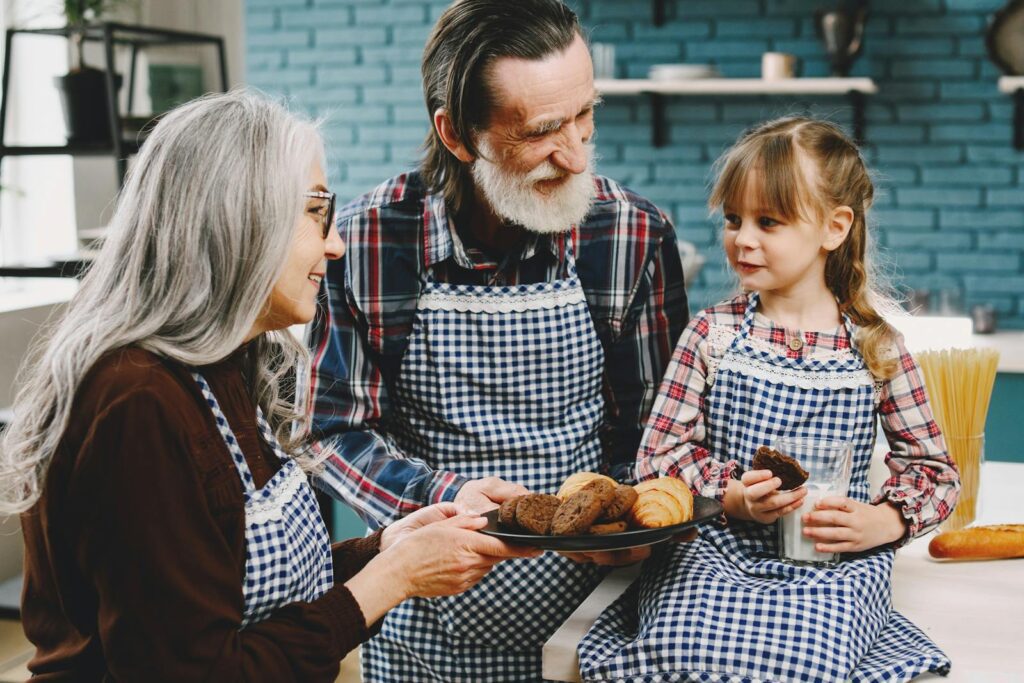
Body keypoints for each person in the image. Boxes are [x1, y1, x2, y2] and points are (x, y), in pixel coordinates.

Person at [0, 90, 537, 682]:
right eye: (314, 212)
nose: (335, 244)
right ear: (237, 218)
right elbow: (194, 672)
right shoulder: (135, 401)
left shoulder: (228, 364)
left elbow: (226, 586)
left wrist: (386, 548)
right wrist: (393, 580)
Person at [306, 0, 689, 678]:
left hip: (599, 630)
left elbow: (659, 432)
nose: (576, 155)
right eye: (543, 131)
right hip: (431, 639)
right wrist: (442, 495)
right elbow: (334, 430)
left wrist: (631, 521)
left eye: (585, 114)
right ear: (457, 134)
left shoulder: (631, 236)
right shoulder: (367, 241)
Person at [577, 117, 962, 681]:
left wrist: (884, 522)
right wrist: (732, 496)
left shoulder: (878, 347)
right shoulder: (713, 336)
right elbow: (656, 458)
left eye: (769, 222)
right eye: (734, 219)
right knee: (685, 645)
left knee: (808, 654)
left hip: (832, 566)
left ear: (834, 228)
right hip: (713, 555)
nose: (743, 238)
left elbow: (935, 472)